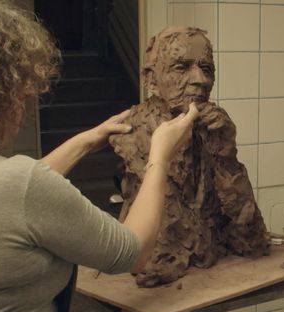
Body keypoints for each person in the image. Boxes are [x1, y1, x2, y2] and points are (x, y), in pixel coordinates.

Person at [0, 2, 198, 312]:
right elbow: (131, 252)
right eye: (22, 92)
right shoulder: (21, 186)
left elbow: (8, 194)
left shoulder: (12, 185)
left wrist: (86, 139)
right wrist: (160, 157)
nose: (26, 103)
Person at [109, 27, 269, 288]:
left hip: (210, 270)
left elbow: (250, 239)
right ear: (151, 79)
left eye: (206, 69)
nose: (200, 80)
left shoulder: (214, 130)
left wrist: (226, 153)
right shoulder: (131, 134)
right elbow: (156, 245)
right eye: (182, 67)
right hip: (156, 269)